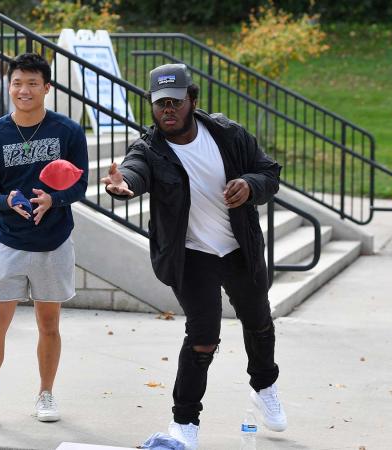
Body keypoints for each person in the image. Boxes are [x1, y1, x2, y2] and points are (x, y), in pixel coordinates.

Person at [102, 63, 285, 450]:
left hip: (239, 247)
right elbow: (134, 172)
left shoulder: (228, 134)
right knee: (203, 338)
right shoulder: (149, 149)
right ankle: (185, 421)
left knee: (259, 322)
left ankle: (264, 386)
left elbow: (269, 172)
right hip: (192, 255)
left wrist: (250, 185)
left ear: (193, 100)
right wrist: (124, 185)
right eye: (160, 104)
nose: (167, 110)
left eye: (175, 102)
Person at [0, 52, 89, 426]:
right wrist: (5, 201)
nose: (24, 90)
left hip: (54, 242)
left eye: (33, 83)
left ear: (47, 88)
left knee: (49, 323)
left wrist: (56, 199)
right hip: (7, 241)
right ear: (9, 86)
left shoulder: (68, 131)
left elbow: (81, 183)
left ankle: (45, 394)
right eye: (18, 82)